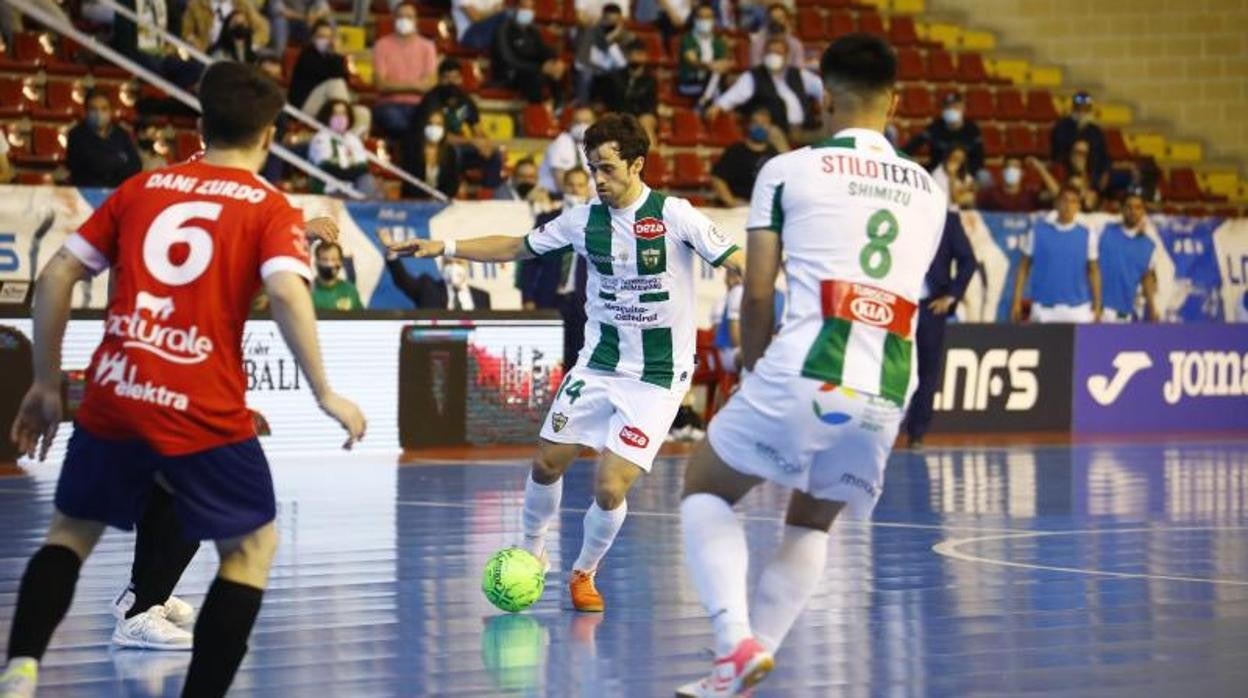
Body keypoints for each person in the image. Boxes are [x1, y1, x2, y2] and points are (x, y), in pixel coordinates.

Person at [0, 61, 365, 698]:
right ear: (271, 135)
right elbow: (285, 291)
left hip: (117, 391)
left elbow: (57, 275)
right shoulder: (269, 206)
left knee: (69, 534)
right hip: (200, 402)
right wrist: (325, 391)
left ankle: (21, 667)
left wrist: (43, 382)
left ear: (200, 124)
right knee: (251, 546)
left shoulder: (140, 189)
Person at [675, 34, 947, 696]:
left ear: (824, 97)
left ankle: (733, 637)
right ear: (896, 101)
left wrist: (754, 367)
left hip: (809, 359)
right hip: (889, 376)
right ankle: (743, 663)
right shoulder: (928, 189)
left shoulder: (787, 170)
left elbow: (759, 288)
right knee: (811, 520)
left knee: (705, 487)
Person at [386, 113, 744, 615]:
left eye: (607, 168)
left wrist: (772, 278)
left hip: (658, 378)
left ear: (638, 165)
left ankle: (583, 572)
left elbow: (735, 257)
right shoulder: (581, 221)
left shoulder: (675, 215)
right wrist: (443, 246)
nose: (598, 179)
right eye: (591, 168)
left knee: (609, 483)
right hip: (597, 365)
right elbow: (516, 247)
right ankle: (531, 550)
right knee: (546, 461)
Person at [904, 211, 976, 449]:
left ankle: (916, 433)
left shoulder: (946, 219)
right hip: (896, 305)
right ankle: (878, 431)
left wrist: (952, 296)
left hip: (930, 307)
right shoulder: (896, 209)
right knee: (886, 367)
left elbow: (968, 260)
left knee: (928, 371)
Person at [1010, 184, 1103, 323]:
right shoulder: (1037, 232)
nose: (1068, 205)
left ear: (1078, 206)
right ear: (1056, 203)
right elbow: (1023, 268)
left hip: (1079, 310)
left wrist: (1097, 304)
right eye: (1064, 200)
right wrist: (1016, 301)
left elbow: (1094, 271)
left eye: (1073, 201)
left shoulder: (1087, 235)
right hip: (1044, 309)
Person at [708, 36, 823, 136]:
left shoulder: (798, 74)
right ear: (764, 54)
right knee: (773, 133)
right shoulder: (754, 76)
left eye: (778, 53)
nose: (774, 56)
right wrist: (718, 106)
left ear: (786, 56)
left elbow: (822, 88)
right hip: (777, 129)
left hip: (806, 127)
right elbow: (735, 94)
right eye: (770, 52)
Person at [422, 58, 504, 190]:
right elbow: (437, 137)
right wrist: (472, 141)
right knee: (453, 152)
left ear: (461, 79)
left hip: (461, 146)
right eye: (446, 77)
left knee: (494, 155)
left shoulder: (465, 100)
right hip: (437, 151)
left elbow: (478, 130)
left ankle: (488, 195)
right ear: (439, 79)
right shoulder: (431, 100)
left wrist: (485, 144)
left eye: (454, 77)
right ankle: (450, 191)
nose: (451, 82)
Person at [371, 1, 439, 139]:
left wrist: (394, 84)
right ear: (394, 19)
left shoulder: (427, 47)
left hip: (419, 106)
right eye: (400, 16)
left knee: (430, 123)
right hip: (388, 105)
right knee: (400, 123)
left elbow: (429, 84)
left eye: (409, 17)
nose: (404, 20)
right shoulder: (382, 45)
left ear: (416, 20)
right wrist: (415, 85)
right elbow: (381, 85)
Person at [377, 234, 493, 310]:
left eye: (458, 262)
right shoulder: (427, 288)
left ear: (467, 265)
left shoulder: (482, 297)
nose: (454, 267)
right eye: (448, 263)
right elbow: (402, 279)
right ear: (442, 266)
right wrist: (391, 252)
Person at [1098, 188, 1159, 322]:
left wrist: (1153, 308)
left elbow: (1147, 278)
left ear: (1143, 211)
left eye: (1138, 208)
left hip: (1123, 314)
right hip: (1097, 310)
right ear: (1122, 209)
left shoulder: (1149, 246)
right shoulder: (1104, 230)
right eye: (1129, 207)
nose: (1133, 211)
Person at [492, 0, 568, 105]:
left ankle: (558, 106)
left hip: (531, 70)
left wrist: (556, 61)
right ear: (517, 8)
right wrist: (539, 68)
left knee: (556, 70)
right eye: (524, 8)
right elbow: (508, 60)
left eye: (531, 8)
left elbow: (543, 50)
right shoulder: (504, 29)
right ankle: (536, 111)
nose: (528, 11)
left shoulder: (532, 30)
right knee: (535, 77)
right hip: (509, 74)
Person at [710, 106, 784, 208]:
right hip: (737, 208)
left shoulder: (773, 153)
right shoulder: (735, 151)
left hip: (763, 208)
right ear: (749, 125)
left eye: (764, 123)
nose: (760, 126)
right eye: (756, 122)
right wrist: (730, 201)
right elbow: (718, 178)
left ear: (769, 126)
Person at [66, 91, 143, 188]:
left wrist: (110, 161)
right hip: (87, 192)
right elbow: (96, 165)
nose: (99, 113)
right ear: (86, 111)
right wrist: (120, 160)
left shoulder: (121, 134)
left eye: (104, 108)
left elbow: (135, 166)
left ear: (110, 111)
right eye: (93, 109)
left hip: (116, 191)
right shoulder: (76, 135)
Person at [307, 99, 379, 198]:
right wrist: (351, 173)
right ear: (327, 117)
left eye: (343, 113)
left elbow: (363, 167)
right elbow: (328, 168)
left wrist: (349, 173)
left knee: (368, 180)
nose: (340, 117)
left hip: (353, 186)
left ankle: (363, 208)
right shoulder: (320, 138)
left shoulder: (353, 139)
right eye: (335, 114)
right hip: (329, 187)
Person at [902, 92, 984, 177]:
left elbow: (979, 159)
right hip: (937, 171)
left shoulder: (972, 130)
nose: (951, 110)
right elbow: (913, 145)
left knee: (983, 176)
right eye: (948, 107)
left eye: (955, 107)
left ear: (963, 108)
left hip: (966, 172)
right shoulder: (934, 127)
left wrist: (965, 174)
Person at [597, 40, 658, 142]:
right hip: (619, 114)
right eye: (632, 55)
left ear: (645, 57)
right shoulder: (616, 77)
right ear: (627, 56)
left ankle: (651, 156)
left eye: (638, 55)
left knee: (646, 123)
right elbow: (609, 100)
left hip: (641, 115)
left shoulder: (650, 80)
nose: (635, 58)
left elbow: (650, 105)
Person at [573, 3, 634, 104]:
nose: (611, 24)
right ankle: (582, 106)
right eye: (608, 20)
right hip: (593, 69)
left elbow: (622, 63)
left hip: (613, 72)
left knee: (619, 78)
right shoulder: (592, 32)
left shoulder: (627, 37)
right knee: (585, 75)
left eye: (615, 21)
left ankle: (618, 111)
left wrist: (613, 39)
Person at [399, 109, 462, 199]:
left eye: (438, 124)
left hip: (441, 204)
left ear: (444, 128)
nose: (434, 128)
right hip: (415, 202)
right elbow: (409, 183)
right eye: (430, 123)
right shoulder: (412, 150)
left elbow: (452, 184)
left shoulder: (450, 152)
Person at [676, 3, 731, 105]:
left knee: (717, 78)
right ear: (695, 19)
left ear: (713, 20)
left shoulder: (718, 42)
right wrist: (710, 66)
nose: (705, 21)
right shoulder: (688, 39)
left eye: (708, 17)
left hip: (712, 82)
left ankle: (703, 102)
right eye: (701, 17)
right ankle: (706, 103)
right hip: (690, 82)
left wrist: (718, 66)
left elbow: (724, 64)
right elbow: (692, 61)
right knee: (715, 78)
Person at [537, 105, 595, 194]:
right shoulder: (561, 143)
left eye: (586, 121)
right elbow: (562, 183)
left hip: (587, 196)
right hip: (555, 195)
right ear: (571, 124)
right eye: (577, 122)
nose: (582, 126)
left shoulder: (594, 144)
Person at [1050, 91, 1108, 179]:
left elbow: (1104, 154)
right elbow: (1058, 151)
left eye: (1085, 109)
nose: (1082, 112)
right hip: (1068, 172)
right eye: (1079, 108)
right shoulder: (1062, 127)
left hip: (1093, 173)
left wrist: (1105, 172)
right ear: (1073, 108)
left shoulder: (1095, 131)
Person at [181, 0, 269, 52]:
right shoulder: (197, 4)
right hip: (203, 52)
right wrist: (193, 41)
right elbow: (186, 31)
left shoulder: (241, 4)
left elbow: (263, 28)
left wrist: (249, 45)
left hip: (231, 56)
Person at [976, 154, 1055, 213]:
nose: (1011, 170)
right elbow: (969, 199)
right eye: (1008, 167)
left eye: (1015, 167)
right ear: (1002, 172)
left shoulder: (1030, 194)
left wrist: (1040, 167)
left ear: (1022, 173)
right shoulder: (991, 194)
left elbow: (1055, 193)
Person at [747, 2, 803, 69]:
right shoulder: (758, 44)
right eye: (773, 18)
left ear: (787, 21)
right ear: (767, 21)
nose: (776, 22)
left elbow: (798, 70)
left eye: (780, 18)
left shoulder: (795, 44)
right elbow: (756, 70)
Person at [311, 241, 364, 310]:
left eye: (334, 259)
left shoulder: (350, 290)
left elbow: (361, 318)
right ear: (316, 262)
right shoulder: (306, 291)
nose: (329, 264)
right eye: (324, 259)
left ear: (341, 262)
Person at [931, 143, 976, 209]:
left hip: (961, 214)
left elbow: (969, 200)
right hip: (941, 212)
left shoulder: (967, 177)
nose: (958, 162)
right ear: (948, 157)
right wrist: (952, 178)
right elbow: (952, 201)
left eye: (961, 159)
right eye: (954, 158)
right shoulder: (937, 174)